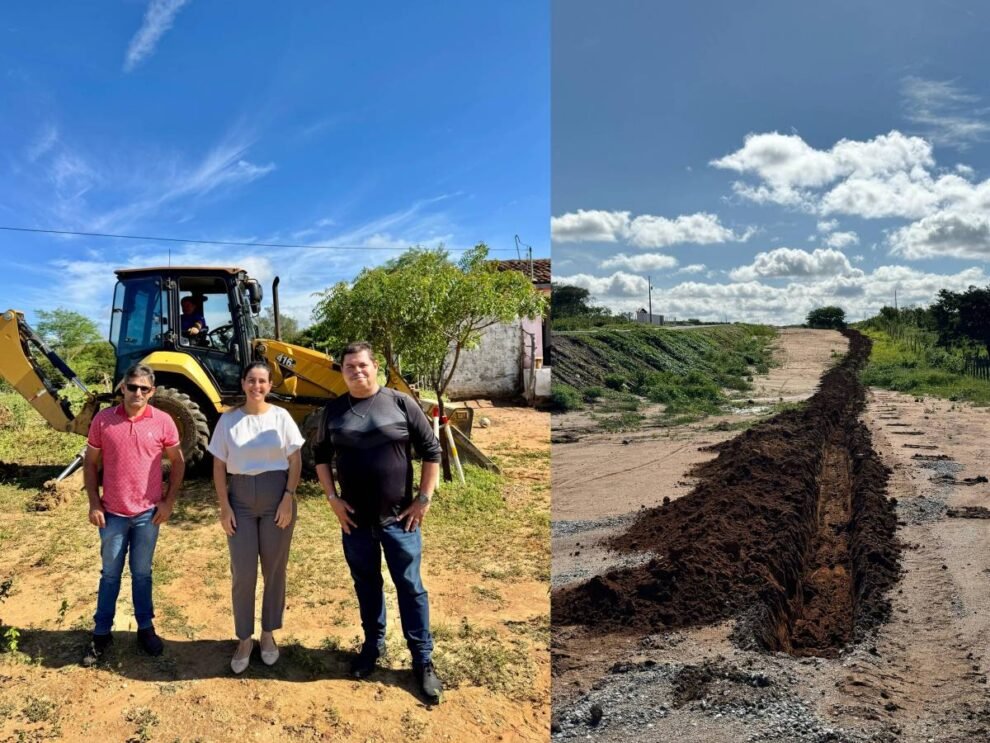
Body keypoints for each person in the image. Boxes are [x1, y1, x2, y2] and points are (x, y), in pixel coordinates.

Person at [314, 341, 443, 701]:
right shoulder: (334, 411)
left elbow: (432, 450)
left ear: (375, 368)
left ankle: (422, 661)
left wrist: (423, 499)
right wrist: (332, 499)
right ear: (342, 372)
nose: (356, 371)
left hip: (400, 522)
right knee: (366, 585)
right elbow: (321, 457)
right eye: (349, 367)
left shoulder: (400, 403)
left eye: (362, 365)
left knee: (411, 588)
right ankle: (373, 646)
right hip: (355, 522)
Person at [82, 364, 185, 666]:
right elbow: (90, 464)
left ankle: (145, 628)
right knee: (110, 574)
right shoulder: (104, 420)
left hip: (147, 514)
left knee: (142, 574)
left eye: (144, 388)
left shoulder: (163, 422)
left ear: (152, 392)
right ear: (122, 388)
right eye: (132, 387)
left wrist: (168, 502)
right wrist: (94, 503)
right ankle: (101, 633)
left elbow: (177, 463)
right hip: (112, 513)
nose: (137, 393)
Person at [207, 361, 304, 674]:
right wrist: (224, 506)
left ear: (270, 385)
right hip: (241, 501)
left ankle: (268, 633)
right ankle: (245, 638)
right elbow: (219, 466)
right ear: (243, 383)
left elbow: (295, 459)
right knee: (244, 572)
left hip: (277, 496)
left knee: (275, 569)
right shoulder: (229, 420)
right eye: (251, 380)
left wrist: (288, 498)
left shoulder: (281, 417)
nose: (257, 386)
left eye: (263, 381)